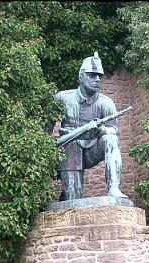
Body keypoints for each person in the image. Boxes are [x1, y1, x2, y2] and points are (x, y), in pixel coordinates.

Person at [54, 52, 128, 201]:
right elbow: (44, 131)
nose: (97, 79)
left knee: (110, 139)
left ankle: (114, 188)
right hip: (69, 150)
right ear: (81, 77)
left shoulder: (106, 102)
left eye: (99, 76)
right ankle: (67, 194)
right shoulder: (62, 98)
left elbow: (113, 129)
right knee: (74, 200)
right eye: (92, 75)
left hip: (92, 149)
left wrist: (100, 130)